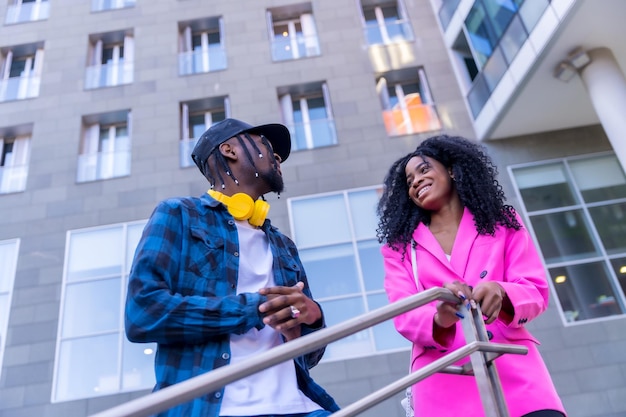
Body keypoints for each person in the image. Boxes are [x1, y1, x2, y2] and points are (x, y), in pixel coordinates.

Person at [125, 118, 339, 417]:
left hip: (300, 406)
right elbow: (143, 313)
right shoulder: (179, 215)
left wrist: (312, 318)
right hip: (211, 409)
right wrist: (252, 309)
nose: (277, 157)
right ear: (229, 150)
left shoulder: (283, 245)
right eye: (266, 145)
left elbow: (309, 356)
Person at [376, 135, 566, 417]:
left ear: (451, 170)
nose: (415, 181)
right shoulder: (400, 248)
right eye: (409, 181)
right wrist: (439, 317)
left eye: (424, 169)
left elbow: (535, 291)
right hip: (442, 378)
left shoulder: (501, 222)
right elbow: (402, 312)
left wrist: (501, 293)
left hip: (514, 369)